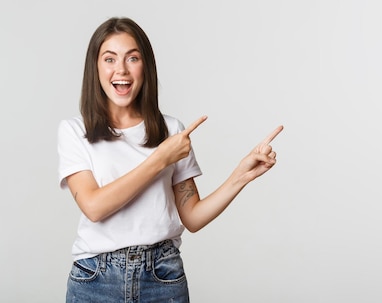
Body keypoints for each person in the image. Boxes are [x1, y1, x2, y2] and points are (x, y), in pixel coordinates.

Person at [57, 16, 283, 302]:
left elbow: (193, 217)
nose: (121, 70)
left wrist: (241, 175)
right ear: (96, 68)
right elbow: (94, 207)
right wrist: (161, 158)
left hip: (161, 276)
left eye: (132, 58)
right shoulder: (76, 132)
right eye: (110, 59)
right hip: (95, 279)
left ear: (145, 66)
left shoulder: (171, 131)